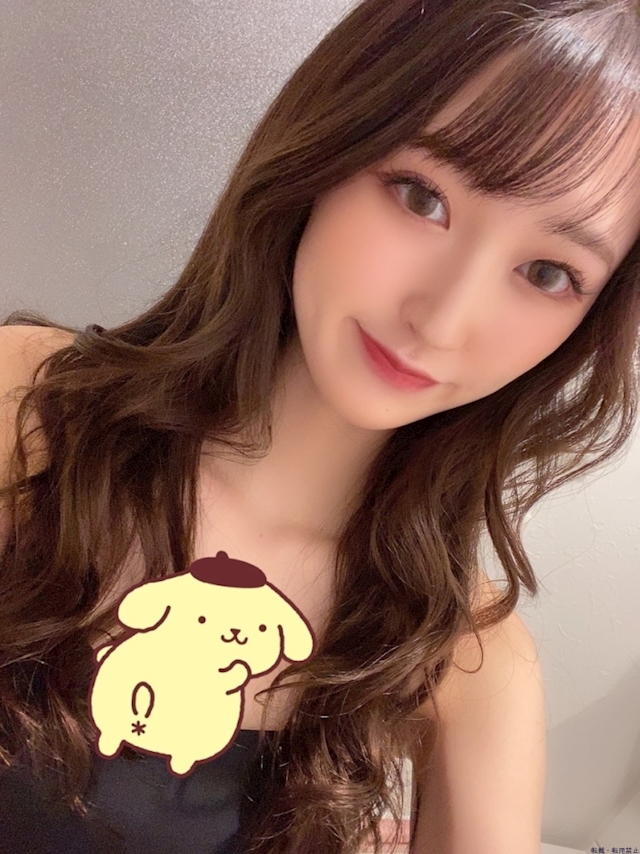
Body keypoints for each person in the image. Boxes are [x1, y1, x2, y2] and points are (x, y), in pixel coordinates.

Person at [1, 0, 639, 851]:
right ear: (330, 147)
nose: (443, 318)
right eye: (422, 197)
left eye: (549, 272)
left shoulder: (470, 658)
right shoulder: (26, 406)